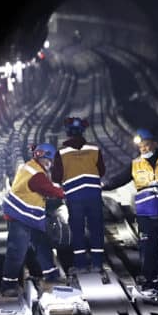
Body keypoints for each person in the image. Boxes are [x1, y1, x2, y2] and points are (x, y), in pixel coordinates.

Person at [104, 129, 158, 291]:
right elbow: (119, 180)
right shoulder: (135, 164)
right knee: (147, 248)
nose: (144, 149)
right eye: (141, 147)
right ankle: (149, 280)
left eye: (146, 145)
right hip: (145, 214)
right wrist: (103, 186)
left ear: (154, 144)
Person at [0, 143, 66, 296]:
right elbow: (47, 188)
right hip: (19, 217)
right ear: (44, 159)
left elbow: (45, 185)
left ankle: (51, 274)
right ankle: (8, 285)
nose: (49, 165)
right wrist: (64, 193)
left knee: (42, 244)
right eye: (48, 161)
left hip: (30, 216)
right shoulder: (36, 174)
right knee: (17, 250)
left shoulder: (31, 167)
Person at [53, 116, 106, 272]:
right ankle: (97, 263)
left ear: (68, 133)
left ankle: (81, 264)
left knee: (77, 230)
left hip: (75, 197)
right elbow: (101, 171)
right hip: (94, 195)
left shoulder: (61, 153)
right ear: (83, 132)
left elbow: (56, 177)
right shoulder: (94, 149)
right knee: (96, 228)